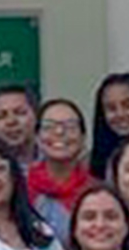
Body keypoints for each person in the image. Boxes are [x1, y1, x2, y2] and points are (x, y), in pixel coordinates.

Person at [26, 98, 92, 238]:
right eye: (49, 126)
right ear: (37, 137)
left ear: (83, 137)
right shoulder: (19, 188)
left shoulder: (95, 191)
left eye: (70, 126)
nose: (59, 132)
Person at [0, 83, 40, 166]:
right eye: (1, 116)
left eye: (20, 113)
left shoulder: (57, 157)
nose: (11, 121)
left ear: (37, 116)